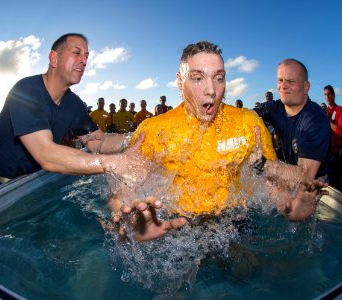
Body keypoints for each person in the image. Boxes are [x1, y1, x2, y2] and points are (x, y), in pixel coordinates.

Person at [110, 41, 325, 241]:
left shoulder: (247, 123)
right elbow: (124, 191)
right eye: (198, 78)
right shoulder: (153, 131)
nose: (211, 90)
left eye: (219, 78)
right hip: (179, 225)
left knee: (246, 271)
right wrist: (126, 219)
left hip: (236, 222)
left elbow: (268, 186)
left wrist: (289, 206)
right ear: (179, 81)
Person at [0, 33, 142, 186]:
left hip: (40, 181)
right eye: (77, 53)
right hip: (5, 188)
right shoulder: (25, 91)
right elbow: (47, 155)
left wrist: (140, 137)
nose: (84, 61)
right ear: (54, 58)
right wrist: (119, 163)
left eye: (86, 57)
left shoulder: (74, 104)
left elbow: (99, 142)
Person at [255, 59, 331, 181]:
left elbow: (305, 176)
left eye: (290, 81)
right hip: (287, 170)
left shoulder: (316, 119)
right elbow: (245, 116)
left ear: (306, 87)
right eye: (280, 80)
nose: (283, 86)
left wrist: (261, 163)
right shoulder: (274, 107)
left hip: (314, 184)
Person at [325, 84, 342, 187]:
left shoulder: (340, 110)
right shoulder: (325, 111)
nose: (327, 97)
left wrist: (328, 120)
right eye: (325, 94)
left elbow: (340, 131)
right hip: (325, 153)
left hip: (335, 155)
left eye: (329, 94)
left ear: (334, 95)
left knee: (334, 186)